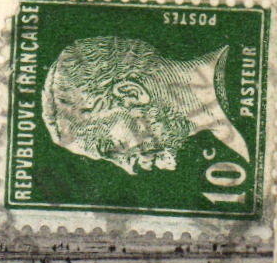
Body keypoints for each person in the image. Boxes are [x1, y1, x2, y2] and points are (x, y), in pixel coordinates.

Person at [42, 37, 250, 177]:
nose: (129, 167)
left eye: (109, 147)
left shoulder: (245, 75)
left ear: (131, 94)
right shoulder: (237, 144)